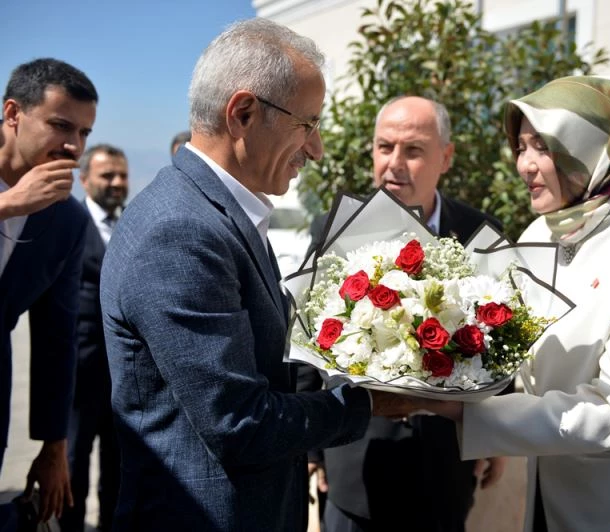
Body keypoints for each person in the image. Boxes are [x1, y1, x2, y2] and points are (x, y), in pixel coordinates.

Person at [383, 76, 610, 531]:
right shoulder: (540, 234)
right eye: (521, 146)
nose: (525, 165)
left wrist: (460, 410)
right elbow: (515, 358)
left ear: (592, 147)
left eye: (543, 146)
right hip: (555, 496)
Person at [98, 18, 398, 531]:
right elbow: (239, 424)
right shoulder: (182, 230)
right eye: (307, 124)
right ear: (243, 113)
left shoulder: (216, 213)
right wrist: (373, 403)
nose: (316, 148)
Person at [300, 95, 508, 532]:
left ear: (445, 157)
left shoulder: (478, 234)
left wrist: (496, 435)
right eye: (384, 147)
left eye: (413, 150)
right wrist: (311, 447)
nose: (394, 163)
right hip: (356, 462)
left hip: (445, 466)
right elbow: (302, 337)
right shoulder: (333, 228)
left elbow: (502, 340)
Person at [0, 58, 97, 523]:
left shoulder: (68, 219)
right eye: (61, 126)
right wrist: (6, 205)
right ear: (13, 114)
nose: (73, 146)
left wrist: (54, 443)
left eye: (84, 133)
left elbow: (59, 334)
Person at [59, 144, 127, 532]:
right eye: (108, 176)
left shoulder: (130, 224)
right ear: (84, 179)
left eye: (122, 175)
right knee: (72, 464)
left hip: (120, 378)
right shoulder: (70, 223)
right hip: (78, 374)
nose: (117, 183)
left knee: (117, 468)